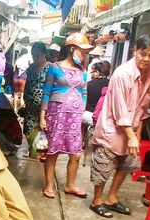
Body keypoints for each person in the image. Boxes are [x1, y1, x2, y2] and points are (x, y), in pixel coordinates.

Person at [89, 35, 150, 218]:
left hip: (131, 130)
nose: (146, 59)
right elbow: (120, 110)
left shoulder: (149, 74)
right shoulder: (122, 74)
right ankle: (97, 201)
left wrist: (138, 133)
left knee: (126, 165)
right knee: (104, 167)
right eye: (143, 54)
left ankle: (111, 198)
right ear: (135, 51)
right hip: (112, 130)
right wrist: (132, 136)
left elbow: (144, 107)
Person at [39, 33, 93, 199]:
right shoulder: (55, 68)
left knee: (76, 154)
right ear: (71, 49)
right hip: (56, 116)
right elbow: (46, 93)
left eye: (85, 52)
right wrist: (42, 116)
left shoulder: (83, 71)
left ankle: (70, 185)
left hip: (74, 119)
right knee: (52, 152)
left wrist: (80, 111)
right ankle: (49, 185)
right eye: (82, 51)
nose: (84, 55)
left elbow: (84, 93)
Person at [23, 42, 50, 135]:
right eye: (33, 55)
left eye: (37, 55)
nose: (35, 58)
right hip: (30, 107)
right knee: (29, 132)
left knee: (41, 133)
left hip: (44, 108)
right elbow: (28, 82)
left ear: (44, 54)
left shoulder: (50, 68)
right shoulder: (31, 67)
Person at [82, 61, 110, 126]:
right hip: (105, 117)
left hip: (90, 115)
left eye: (92, 72)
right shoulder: (111, 84)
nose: (91, 74)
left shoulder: (89, 85)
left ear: (97, 73)